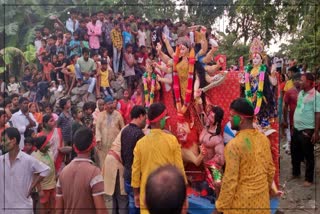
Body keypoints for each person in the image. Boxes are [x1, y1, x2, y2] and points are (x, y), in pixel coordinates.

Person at [215, 98, 275, 214]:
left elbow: (230, 181)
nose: (229, 119)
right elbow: (270, 170)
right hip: (262, 204)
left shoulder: (234, 145)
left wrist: (219, 208)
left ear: (241, 119)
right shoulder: (263, 139)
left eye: (232, 116)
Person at [131, 102, 186, 214]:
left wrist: (136, 194)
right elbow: (180, 170)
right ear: (161, 120)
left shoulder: (140, 144)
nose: (166, 121)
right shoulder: (172, 140)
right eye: (165, 118)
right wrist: (184, 197)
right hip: (169, 197)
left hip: (148, 196)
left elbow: (135, 173)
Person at [55, 127, 107, 214]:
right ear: (92, 144)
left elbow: (58, 210)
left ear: (74, 147)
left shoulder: (63, 172)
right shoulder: (94, 172)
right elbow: (101, 210)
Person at [0, 127, 50, 214]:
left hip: (23, 208)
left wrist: (32, 186)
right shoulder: (1, 160)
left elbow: (46, 170)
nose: (1, 143)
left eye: (4, 140)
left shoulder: (28, 160)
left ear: (13, 140)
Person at [291, 73, 320, 187]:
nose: (299, 82)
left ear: (308, 82)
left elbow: (318, 114)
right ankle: (296, 173)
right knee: (294, 152)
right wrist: (294, 124)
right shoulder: (301, 93)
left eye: (302, 80)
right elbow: (298, 109)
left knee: (308, 154)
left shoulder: (316, 96)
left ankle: (309, 178)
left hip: (307, 129)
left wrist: (316, 132)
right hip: (297, 128)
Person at [121, 105, 147, 214]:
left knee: (132, 204)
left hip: (126, 174)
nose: (146, 122)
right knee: (139, 207)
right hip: (136, 178)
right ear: (140, 116)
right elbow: (141, 160)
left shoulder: (125, 130)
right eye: (145, 119)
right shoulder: (139, 134)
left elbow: (122, 154)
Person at [199, 106, 225, 196]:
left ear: (217, 120)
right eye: (209, 115)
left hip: (214, 170)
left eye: (212, 117)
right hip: (204, 167)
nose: (209, 118)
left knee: (219, 191)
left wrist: (211, 164)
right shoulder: (206, 128)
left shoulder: (218, 139)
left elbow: (221, 160)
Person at [102, 127, 129, 214]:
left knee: (116, 198)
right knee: (122, 199)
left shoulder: (127, 128)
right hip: (116, 164)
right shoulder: (136, 132)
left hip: (111, 161)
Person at [96, 95, 125, 168]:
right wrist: (98, 139)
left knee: (115, 165)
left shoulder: (118, 115)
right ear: (105, 105)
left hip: (115, 145)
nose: (111, 105)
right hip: (104, 145)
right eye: (109, 104)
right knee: (104, 164)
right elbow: (97, 129)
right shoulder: (100, 115)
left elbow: (123, 129)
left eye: (112, 103)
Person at [32, 136, 56, 214]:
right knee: (44, 208)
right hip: (44, 187)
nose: (49, 143)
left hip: (53, 184)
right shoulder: (36, 157)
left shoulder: (49, 151)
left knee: (53, 206)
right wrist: (40, 190)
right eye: (47, 143)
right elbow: (35, 175)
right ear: (42, 147)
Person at [282, 73, 301, 154]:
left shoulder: (306, 91)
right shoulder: (289, 92)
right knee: (292, 132)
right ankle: (291, 146)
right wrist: (285, 120)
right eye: (295, 80)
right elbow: (285, 106)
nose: (297, 82)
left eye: (299, 80)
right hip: (292, 116)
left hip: (303, 118)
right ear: (292, 81)